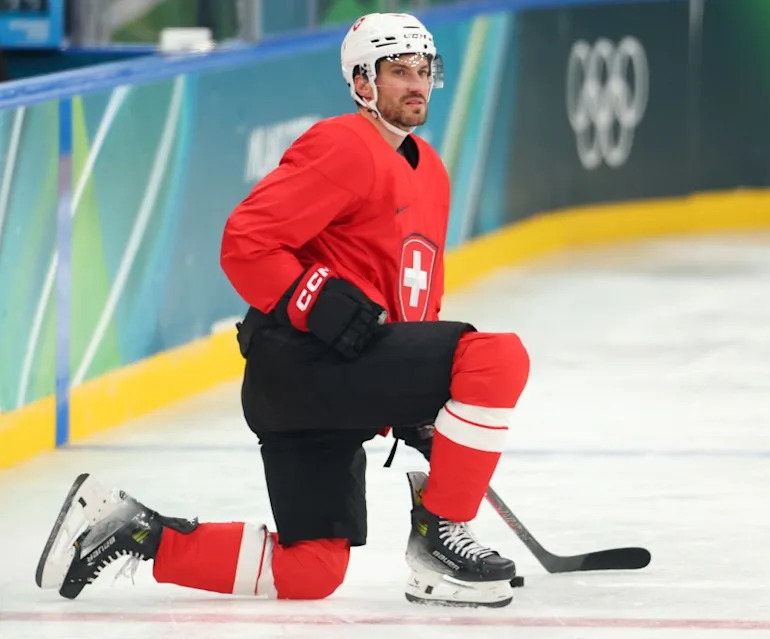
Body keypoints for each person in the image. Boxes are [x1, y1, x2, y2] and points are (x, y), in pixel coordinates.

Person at [36, 13, 530, 608]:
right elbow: (245, 242)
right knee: (497, 357)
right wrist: (317, 298)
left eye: (424, 70)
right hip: (301, 364)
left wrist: (416, 403)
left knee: (311, 571)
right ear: (362, 83)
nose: (416, 83)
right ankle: (440, 532)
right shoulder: (344, 144)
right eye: (398, 71)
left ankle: (129, 529)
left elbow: (410, 296)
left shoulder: (432, 170)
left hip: (336, 384)